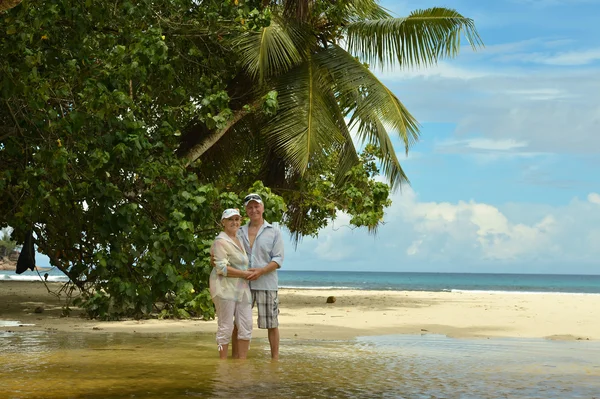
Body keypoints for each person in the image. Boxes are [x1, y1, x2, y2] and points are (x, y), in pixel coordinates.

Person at [236, 193, 284, 360]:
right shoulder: (239, 231)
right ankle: (237, 359)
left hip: (267, 283)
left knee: (272, 324)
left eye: (256, 206)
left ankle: (275, 360)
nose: (253, 210)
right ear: (245, 210)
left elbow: (278, 259)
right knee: (239, 322)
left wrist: (261, 271)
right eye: (250, 207)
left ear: (262, 208)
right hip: (242, 284)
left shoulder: (274, 231)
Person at [209, 208, 253, 360]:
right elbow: (221, 268)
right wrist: (244, 274)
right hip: (224, 289)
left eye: (237, 219)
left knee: (246, 326)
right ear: (223, 222)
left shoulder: (239, 239)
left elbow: (242, 264)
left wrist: (248, 272)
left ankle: (241, 363)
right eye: (230, 219)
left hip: (242, 289)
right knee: (225, 328)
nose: (234, 222)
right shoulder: (220, 241)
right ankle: (222, 363)